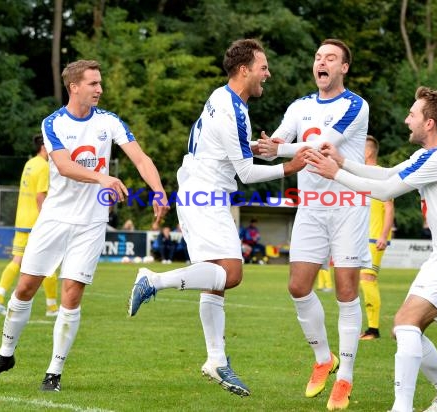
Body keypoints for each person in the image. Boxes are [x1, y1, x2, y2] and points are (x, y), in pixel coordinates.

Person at [127, 39, 306, 397]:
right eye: (263, 67)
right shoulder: (234, 110)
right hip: (205, 195)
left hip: (197, 190)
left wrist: (254, 147)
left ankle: (216, 360)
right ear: (245, 70)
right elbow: (245, 173)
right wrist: (289, 167)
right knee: (233, 273)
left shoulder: (220, 97)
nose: (267, 74)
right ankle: (153, 280)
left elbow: (225, 148)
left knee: (216, 281)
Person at [0, 59, 169, 392]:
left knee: (72, 293)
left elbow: (141, 158)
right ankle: (5, 355)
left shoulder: (109, 121)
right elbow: (64, 166)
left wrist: (159, 190)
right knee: (25, 288)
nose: (100, 89)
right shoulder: (53, 123)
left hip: (91, 222)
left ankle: (54, 372)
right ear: (74, 87)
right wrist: (103, 177)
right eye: (93, 83)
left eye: (100, 83)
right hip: (53, 219)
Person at [304, 86, 437, 412]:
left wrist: (336, 174)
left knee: (406, 324)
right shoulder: (431, 154)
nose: (407, 120)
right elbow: (387, 173)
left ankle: (403, 407)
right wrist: (342, 161)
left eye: (413, 115)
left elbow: (386, 189)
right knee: (405, 328)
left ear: (429, 123)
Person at [257, 38, 369, 409]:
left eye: (331, 58)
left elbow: (321, 146)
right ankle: (324, 358)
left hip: (348, 205)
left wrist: (279, 151)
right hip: (311, 207)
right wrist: (263, 146)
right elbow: (278, 139)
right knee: (298, 286)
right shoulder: (299, 106)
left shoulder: (356, 105)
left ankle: (346, 379)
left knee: (345, 290)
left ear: (344, 68)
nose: (322, 62)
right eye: (318, 57)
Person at [0, 134, 59, 318]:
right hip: (36, 223)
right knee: (49, 264)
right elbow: (39, 196)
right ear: (44, 147)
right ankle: (52, 308)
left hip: (22, 220)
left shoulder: (29, 164)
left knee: (16, 261)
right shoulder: (44, 166)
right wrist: (47, 220)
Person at [359, 135, 395, 341]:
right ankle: (369, 327)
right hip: (362, 237)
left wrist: (383, 235)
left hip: (375, 238)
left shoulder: (381, 175)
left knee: (368, 279)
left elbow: (389, 208)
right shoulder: (362, 176)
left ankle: (374, 329)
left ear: (369, 151)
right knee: (359, 280)